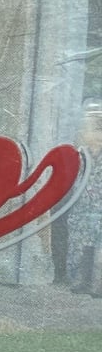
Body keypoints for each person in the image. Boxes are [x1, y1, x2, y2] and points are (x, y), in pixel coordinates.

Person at [68, 98, 102, 297]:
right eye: (93, 130)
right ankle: (81, 280)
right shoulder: (80, 155)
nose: (97, 136)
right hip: (82, 207)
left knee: (100, 250)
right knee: (82, 246)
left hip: (99, 209)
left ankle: (98, 285)